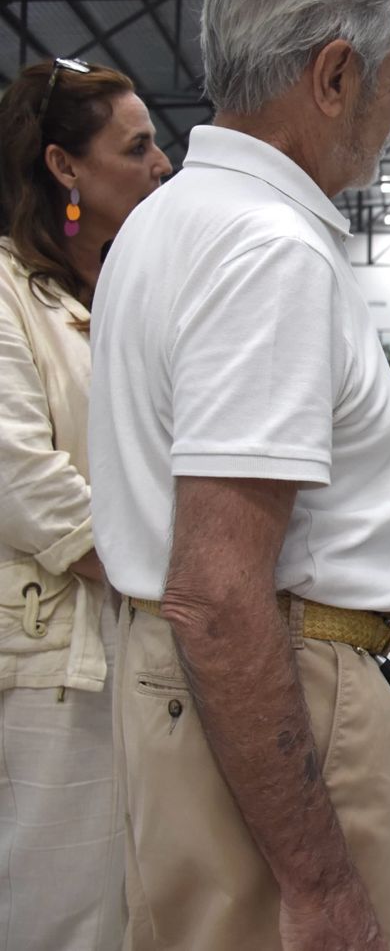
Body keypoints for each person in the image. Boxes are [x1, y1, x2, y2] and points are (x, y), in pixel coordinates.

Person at [88, 0, 390, 950]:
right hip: (287, 700)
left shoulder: (164, 224)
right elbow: (223, 591)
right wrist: (320, 878)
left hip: (197, 708)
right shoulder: (266, 250)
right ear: (334, 76)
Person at [0, 58, 171, 950]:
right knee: (60, 908)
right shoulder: (5, 293)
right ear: (65, 167)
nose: (162, 164)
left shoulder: (114, 296)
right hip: (49, 656)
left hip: (134, 634)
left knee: (129, 898)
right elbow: (21, 477)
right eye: (136, 146)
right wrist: (164, 577)